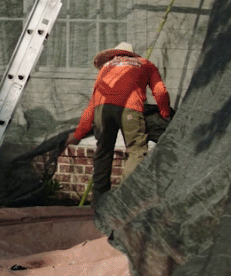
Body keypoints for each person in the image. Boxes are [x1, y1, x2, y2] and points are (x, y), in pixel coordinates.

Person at [68, 41, 172, 205]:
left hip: (102, 111)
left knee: (103, 153)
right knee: (137, 151)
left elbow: (93, 103)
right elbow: (160, 91)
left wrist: (79, 133)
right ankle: (123, 199)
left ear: (115, 55)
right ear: (131, 55)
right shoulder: (145, 64)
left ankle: (98, 203)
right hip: (130, 109)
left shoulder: (106, 67)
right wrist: (165, 113)